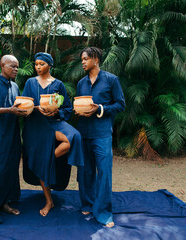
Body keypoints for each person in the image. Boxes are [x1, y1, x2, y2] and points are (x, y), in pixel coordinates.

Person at [22, 52, 84, 217]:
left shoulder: (58, 84)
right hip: (35, 125)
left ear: (49, 65)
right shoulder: (30, 82)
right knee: (44, 162)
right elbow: (24, 105)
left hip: (53, 123)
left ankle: (46, 159)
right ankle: (49, 201)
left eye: (42, 64)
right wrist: (36, 108)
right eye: (36, 64)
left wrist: (56, 111)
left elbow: (68, 108)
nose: (38, 67)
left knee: (74, 137)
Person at [76, 47, 125, 228]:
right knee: (85, 172)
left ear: (96, 59)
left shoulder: (112, 80)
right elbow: (81, 104)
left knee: (103, 172)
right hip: (83, 133)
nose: (82, 62)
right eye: (82, 59)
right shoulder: (81, 83)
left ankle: (104, 212)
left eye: (85, 59)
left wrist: (100, 109)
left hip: (102, 133)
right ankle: (88, 204)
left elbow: (120, 104)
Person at [0, 55, 27, 231]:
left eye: (17, 67)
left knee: (10, 169)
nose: (16, 69)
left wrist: (25, 111)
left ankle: (5, 203)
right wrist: (10, 110)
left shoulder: (15, 86)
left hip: (13, 134)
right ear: (2, 65)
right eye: (13, 66)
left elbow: (17, 107)